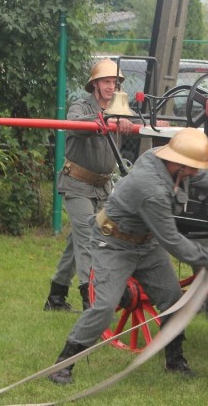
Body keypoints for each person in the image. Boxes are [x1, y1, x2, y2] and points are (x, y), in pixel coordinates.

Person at [48, 127, 208, 383]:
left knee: (173, 300)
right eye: (191, 167)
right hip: (114, 243)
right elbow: (172, 240)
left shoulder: (169, 162)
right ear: (179, 163)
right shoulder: (150, 188)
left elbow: (203, 177)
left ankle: (174, 361)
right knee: (105, 307)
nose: (194, 172)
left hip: (147, 244)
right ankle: (64, 364)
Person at [44, 59, 135, 312]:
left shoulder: (120, 107)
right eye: (107, 81)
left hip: (103, 188)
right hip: (76, 185)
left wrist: (124, 121)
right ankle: (90, 300)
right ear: (94, 84)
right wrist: (105, 117)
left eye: (115, 82)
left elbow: (132, 120)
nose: (111, 86)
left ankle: (56, 297)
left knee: (80, 239)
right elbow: (76, 125)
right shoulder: (80, 106)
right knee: (89, 239)